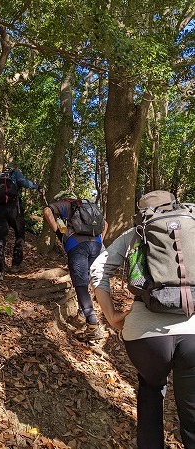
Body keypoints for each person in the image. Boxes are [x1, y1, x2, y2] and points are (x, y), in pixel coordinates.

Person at [90, 190, 195, 449]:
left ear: (142, 212)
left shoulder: (136, 234)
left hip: (145, 338)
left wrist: (113, 316)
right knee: (192, 410)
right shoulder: (192, 228)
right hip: (193, 331)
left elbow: (97, 270)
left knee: (150, 392)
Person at [44, 190, 108, 342]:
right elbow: (105, 224)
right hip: (96, 245)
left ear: (63, 198)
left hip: (77, 245)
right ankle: (81, 313)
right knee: (87, 279)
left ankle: (92, 325)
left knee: (80, 284)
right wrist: (98, 240)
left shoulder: (66, 204)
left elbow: (47, 210)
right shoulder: (90, 205)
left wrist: (56, 231)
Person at [0, 167, 43, 281]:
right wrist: (36, 186)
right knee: (20, 235)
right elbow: (23, 183)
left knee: (0, 238)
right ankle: (15, 265)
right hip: (13, 207)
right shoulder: (15, 173)